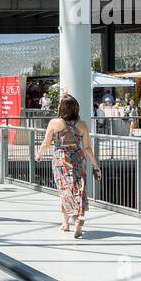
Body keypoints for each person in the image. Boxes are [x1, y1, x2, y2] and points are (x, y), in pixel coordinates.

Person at [36, 95, 101, 238]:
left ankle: (76, 218)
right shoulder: (82, 125)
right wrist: (96, 165)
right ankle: (66, 223)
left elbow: (46, 144)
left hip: (61, 158)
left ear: (61, 108)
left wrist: (39, 155)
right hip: (78, 158)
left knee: (64, 189)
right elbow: (88, 148)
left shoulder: (54, 123)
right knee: (77, 188)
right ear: (76, 108)